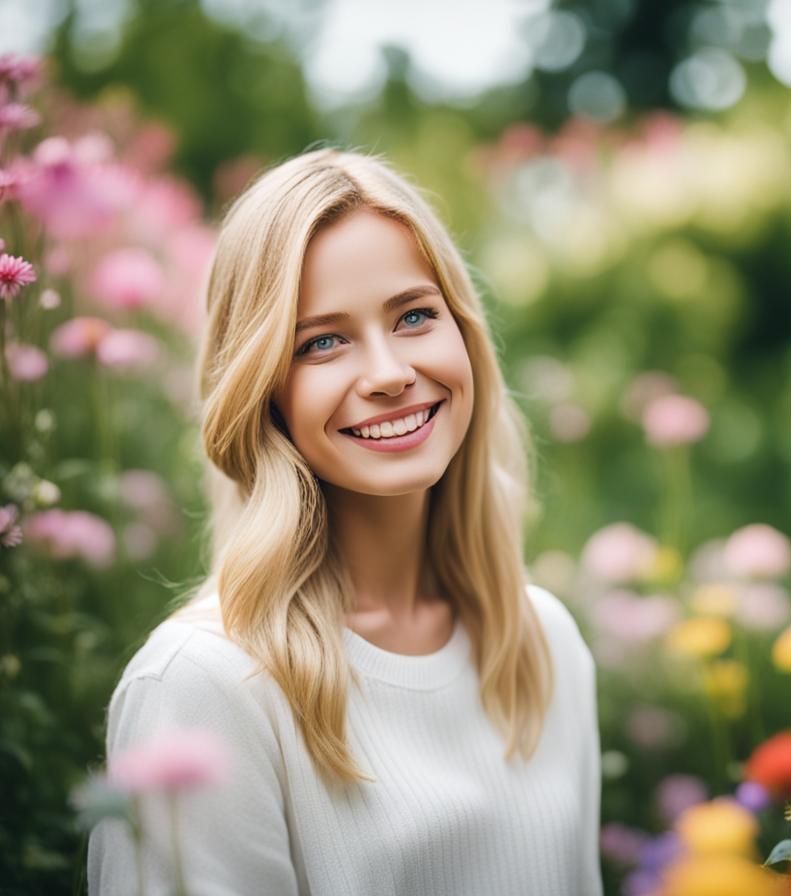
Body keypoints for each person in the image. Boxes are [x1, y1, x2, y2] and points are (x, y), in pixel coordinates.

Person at [88, 149, 603, 896]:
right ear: (263, 393)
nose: (390, 372)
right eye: (322, 341)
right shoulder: (205, 686)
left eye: (415, 316)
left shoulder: (542, 641)